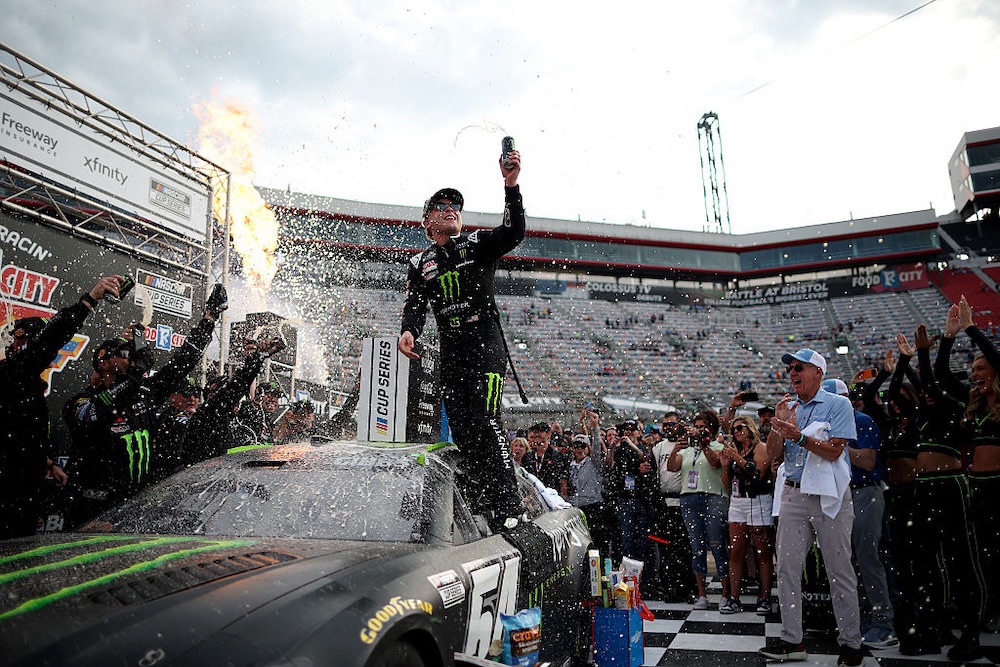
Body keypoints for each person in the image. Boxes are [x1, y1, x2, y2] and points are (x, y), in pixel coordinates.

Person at [398, 145, 524, 531]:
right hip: (452, 353)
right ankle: (484, 499)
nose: (450, 208)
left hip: (486, 347)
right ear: (427, 221)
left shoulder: (477, 243)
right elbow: (415, 304)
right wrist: (409, 331)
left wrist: (511, 186)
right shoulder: (420, 262)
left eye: (455, 205)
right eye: (441, 205)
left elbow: (514, 232)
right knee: (464, 429)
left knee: (487, 421)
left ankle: (511, 504)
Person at [63, 285, 228, 527]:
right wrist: (136, 372)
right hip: (91, 511)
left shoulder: (145, 392)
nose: (131, 358)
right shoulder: (80, 402)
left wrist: (209, 318)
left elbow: (184, 361)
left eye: (134, 353)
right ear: (103, 361)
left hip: (135, 511)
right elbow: (99, 410)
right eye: (124, 352)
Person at [759, 348, 863, 667]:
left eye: (798, 367)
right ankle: (793, 640)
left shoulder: (838, 404)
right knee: (787, 569)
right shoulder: (790, 408)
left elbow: (834, 452)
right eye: (790, 368)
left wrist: (800, 436)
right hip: (794, 492)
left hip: (829, 492)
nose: (792, 373)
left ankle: (850, 643)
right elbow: (774, 455)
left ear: (818, 371)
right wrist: (780, 427)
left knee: (838, 568)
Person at [0, 274, 123, 538]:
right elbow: (51, 339)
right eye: (39, 344)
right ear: (20, 344)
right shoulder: (12, 374)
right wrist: (90, 299)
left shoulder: (22, 380)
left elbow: (18, 430)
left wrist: (47, 463)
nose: (52, 353)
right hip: (9, 498)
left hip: (23, 493)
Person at [823, 378, 895, 648]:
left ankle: (883, 622)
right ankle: (859, 619)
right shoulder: (835, 424)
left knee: (867, 558)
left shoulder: (861, 420)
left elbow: (867, 460)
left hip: (865, 491)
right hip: (843, 492)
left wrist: (837, 446)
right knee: (848, 561)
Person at [667, 410, 732, 612]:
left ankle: (725, 594)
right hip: (689, 498)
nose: (699, 429)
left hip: (713, 497)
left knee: (717, 544)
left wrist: (704, 443)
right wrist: (675, 449)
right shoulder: (688, 450)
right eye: (697, 426)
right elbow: (672, 467)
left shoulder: (720, 447)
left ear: (712, 428)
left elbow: (714, 463)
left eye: (703, 425)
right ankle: (702, 595)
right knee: (697, 548)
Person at [720, 414, 774, 615]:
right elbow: (727, 485)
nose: (736, 431)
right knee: (735, 551)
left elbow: (758, 475)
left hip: (758, 499)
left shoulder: (760, 448)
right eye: (734, 429)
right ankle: (734, 598)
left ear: (750, 429)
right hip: (737, 500)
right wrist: (726, 466)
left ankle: (765, 596)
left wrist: (737, 459)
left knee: (762, 552)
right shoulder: (735, 451)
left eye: (740, 427)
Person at [650, 413, 698, 602]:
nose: (668, 427)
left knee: (685, 549)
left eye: (672, 424)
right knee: (666, 550)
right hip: (664, 502)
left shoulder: (688, 444)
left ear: (679, 425)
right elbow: (653, 471)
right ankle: (670, 587)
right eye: (665, 424)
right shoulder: (658, 447)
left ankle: (688, 588)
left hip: (684, 500)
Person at [611, 420, 659, 563]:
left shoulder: (645, 448)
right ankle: (629, 575)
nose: (629, 432)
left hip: (643, 498)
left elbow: (649, 466)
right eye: (626, 429)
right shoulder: (620, 451)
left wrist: (634, 449)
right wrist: (636, 469)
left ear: (639, 432)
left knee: (643, 541)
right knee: (627, 541)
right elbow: (618, 472)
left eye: (632, 429)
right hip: (625, 498)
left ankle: (643, 576)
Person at [150, 376, 202, 483]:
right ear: (173, 396)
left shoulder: (200, 419)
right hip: (170, 478)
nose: (191, 399)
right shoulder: (168, 419)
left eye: (196, 395)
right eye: (186, 394)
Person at [523, 421, 570, 498]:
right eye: (535, 432)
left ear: (548, 434)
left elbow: (563, 482)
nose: (537, 434)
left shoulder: (558, 457)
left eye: (540, 431)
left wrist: (563, 499)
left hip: (552, 499)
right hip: (533, 500)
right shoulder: (527, 457)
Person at [238, 379, 283, 443]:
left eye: (276, 396)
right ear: (258, 397)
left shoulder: (268, 422)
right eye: (269, 395)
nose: (273, 399)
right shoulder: (248, 410)